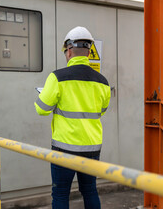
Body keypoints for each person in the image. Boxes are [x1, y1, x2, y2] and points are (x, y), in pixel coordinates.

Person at [34, 26, 111, 209]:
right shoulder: (103, 81)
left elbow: (42, 109)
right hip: (92, 148)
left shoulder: (57, 78)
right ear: (90, 52)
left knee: (60, 193)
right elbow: (101, 110)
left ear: (68, 51)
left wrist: (46, 94)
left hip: (64, 148)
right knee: (90, 190)